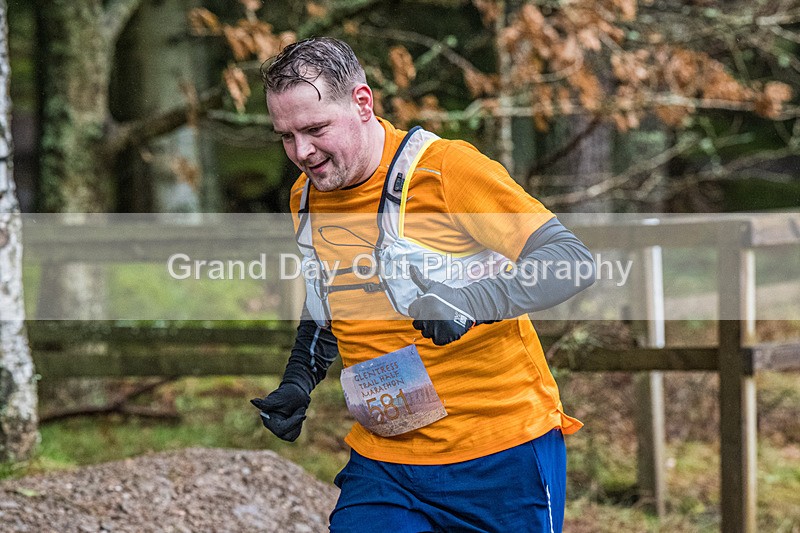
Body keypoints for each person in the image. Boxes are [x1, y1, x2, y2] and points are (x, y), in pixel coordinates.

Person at [251, 36, 595, 533]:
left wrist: (464, 302)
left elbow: (571, 260)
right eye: (285, 136)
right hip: (387, 462)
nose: (302, 152)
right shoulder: (306, 195)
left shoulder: (447, 170)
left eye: (315, 128)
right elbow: (330, 294)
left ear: (362, 103)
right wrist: (299, 380)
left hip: (500, 454)